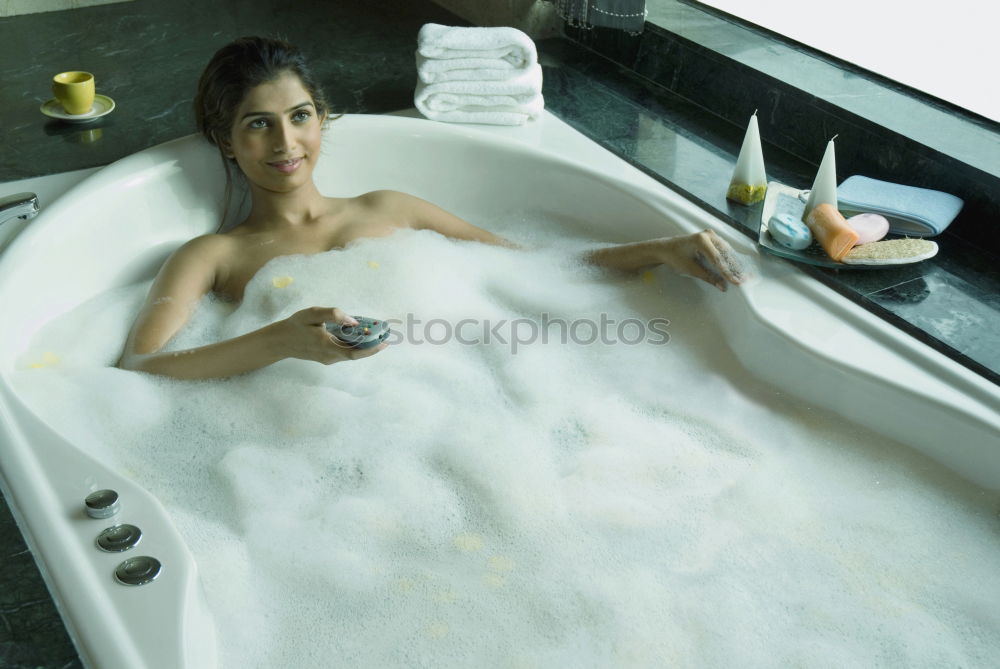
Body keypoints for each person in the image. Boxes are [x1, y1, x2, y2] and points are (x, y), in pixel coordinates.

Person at [117, 36, 746, 380]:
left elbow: (536, 267)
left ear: (323, 119)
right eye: (258, 124)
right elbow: (141, 366)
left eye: (300, 116)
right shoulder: (214, 255)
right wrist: (278, 341)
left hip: (484, 386)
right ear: (225, 138)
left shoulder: (391, 207)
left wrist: (660, 251)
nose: (286, 143)